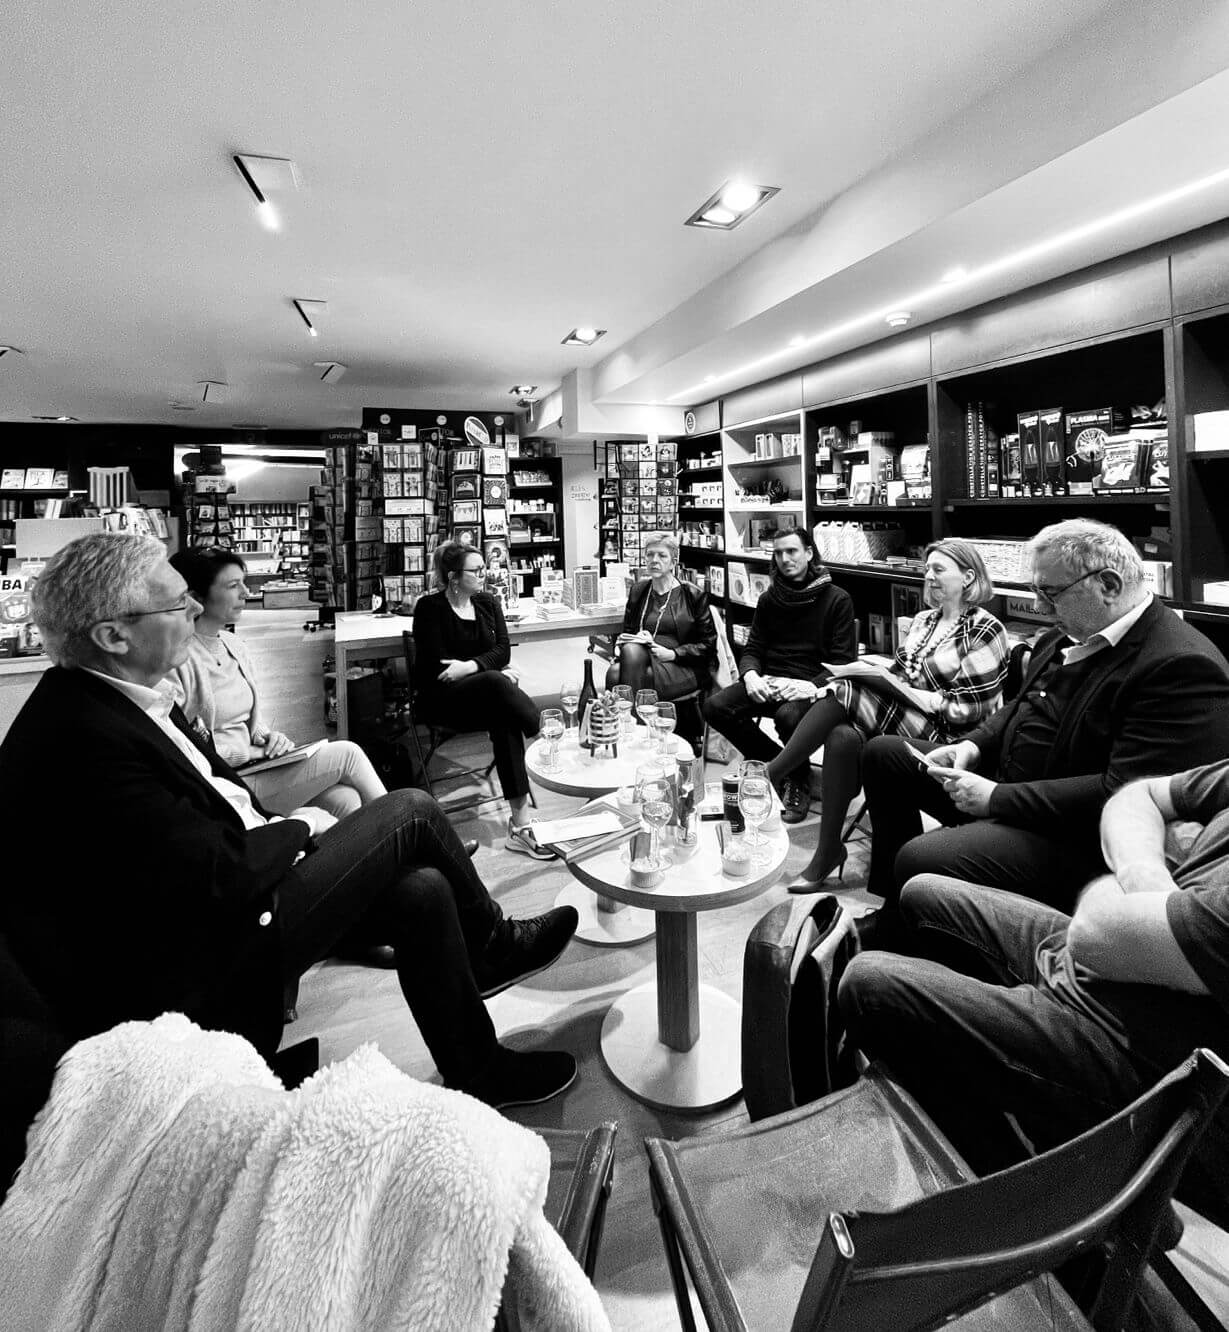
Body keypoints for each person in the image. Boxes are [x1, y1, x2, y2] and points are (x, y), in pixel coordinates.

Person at [0, 533, 580, 1116]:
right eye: (177, 603)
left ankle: (480, 1068)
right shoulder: (83, 740)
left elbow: (216, 801)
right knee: (410, 809)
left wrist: (283, 816)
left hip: (243, 887)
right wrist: (302, 826)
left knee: (423, 891)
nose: (195, 609)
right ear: (113, 635)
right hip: (213, 952)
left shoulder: (130, 700)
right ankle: (494, 944)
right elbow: (215, 875)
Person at [838, 761, 1229, 1219]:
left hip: (1154, 1067)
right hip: (1113, 962)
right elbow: (1136, 797)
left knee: (869, 988)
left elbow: (1093, 931)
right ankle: (1050, 1156)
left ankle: (1033, 1219)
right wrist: (1146, 876)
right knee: (920, 891)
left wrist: (1131, 882)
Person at [860, 518, 1229, 911]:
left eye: (1050, 593)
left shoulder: (1179, 666)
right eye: (1035, 591)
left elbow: (1123, 794)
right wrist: (973, 744)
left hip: (1075, 834)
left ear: (1108, 586)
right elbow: (1021, 704)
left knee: (920, 857)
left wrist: (996, 798)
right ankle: (894, 908)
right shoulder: (1065, 636)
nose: (1038, 606)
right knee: (885, 755)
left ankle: (910, 920)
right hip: (1012, 787)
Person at [775, 540, 1009, 893]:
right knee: (842, 735)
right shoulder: (924, 621)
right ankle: (827, 851)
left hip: (953, 739)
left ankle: (772, 773)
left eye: (939, 570)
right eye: (927, 569)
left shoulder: (985, 629)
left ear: (968, 577)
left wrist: (921, 698)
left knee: (846, 690)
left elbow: (971, 710)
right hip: (909, 718)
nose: (929, 576)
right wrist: (883, 679)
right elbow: (900, 675)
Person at [167, 547, 386, 819]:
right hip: (222, 782)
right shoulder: (178, 660)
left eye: (244, 583)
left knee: (345, 798)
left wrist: (268, 737)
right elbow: (186, 748)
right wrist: (250, 751)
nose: (245, 592)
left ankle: (363, 845)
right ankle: (403, 825)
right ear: (197, 597)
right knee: (348, 754)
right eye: (233, 585)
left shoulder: (233, 645)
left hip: (256, 765)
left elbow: (245, 718)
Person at [702, 526, 857, 822]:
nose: (785, 559)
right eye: (778, 553)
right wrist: (750, 675)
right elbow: (753, 648)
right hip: (770, 681)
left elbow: (842, 663)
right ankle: (790, 769)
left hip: (812, 687)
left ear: (809, 553)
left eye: (792, 551)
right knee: (715, 707)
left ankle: (791, 777)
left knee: (788, 716)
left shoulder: (837, 599)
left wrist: (807, 686)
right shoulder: (770, 599)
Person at [412, 540, 548, 858]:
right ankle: (545, 735)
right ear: (453, 577)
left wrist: (472, 667)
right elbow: (440, 669)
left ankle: (521, 825)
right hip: (442, 701)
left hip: (483, 696)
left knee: (504, 716)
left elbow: (503, 651)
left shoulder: (487, 602)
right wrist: (490, 672)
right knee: (497, 682)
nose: (485, 574)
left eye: (484, 568)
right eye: (476, 570)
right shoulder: (430, 608)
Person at [605, 532, 717, 747]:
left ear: (673, 562)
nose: (654, 560)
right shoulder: (639, 591)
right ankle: (636, 733)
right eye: (650, 555)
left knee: (616, 674)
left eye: (662, 556)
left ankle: (628, 734)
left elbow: (708, 646)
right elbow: (627, 632)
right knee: (626, 656)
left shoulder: (693, 594)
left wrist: (673, 653)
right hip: (642, 659)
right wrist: (622, 646)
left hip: (683, 665)